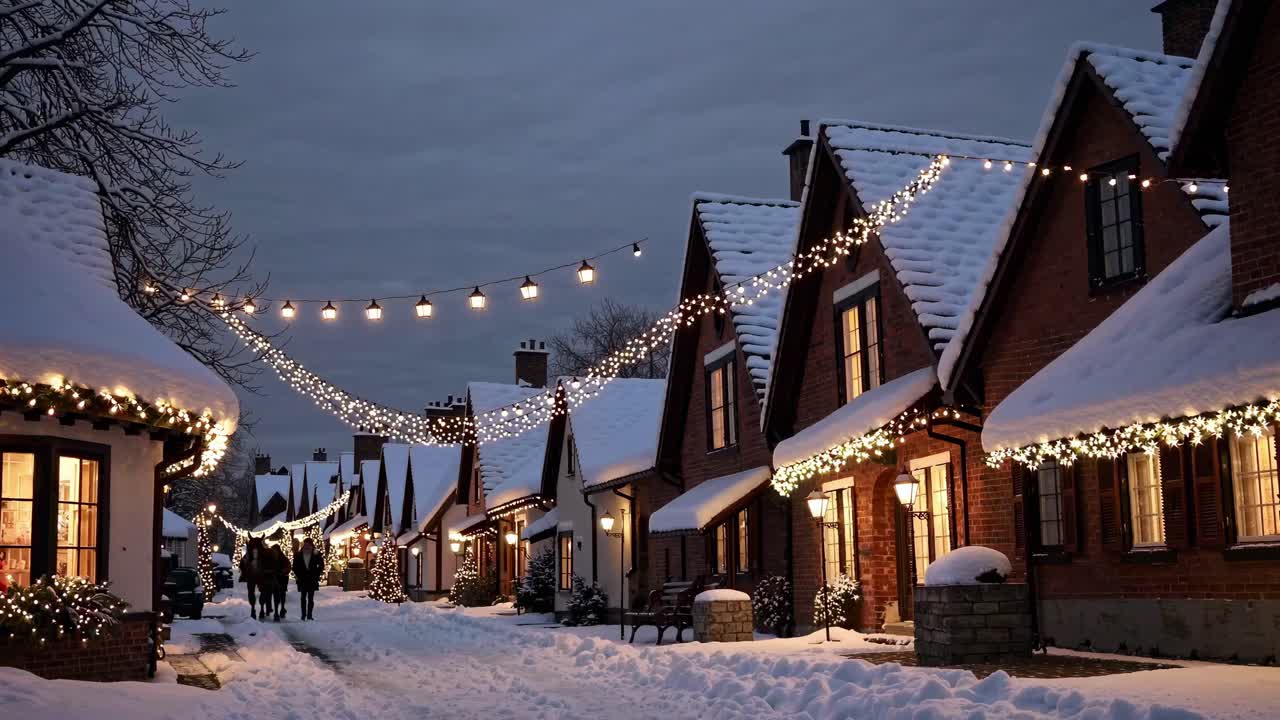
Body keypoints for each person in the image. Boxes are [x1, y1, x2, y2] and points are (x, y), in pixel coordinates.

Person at [238, 537, 275, 621]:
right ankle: (252, 609)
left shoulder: (264, 553)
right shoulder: (248, 553)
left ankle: (262, 608)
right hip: (251, 574)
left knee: (264, 590)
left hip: (262, 573)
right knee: (251, 591)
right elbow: (243, 563)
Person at [292, 538, 323, 620]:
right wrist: (299, 575)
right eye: (305, 545)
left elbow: (321, 565)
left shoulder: (316, 554)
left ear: (312, 545)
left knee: (311, 598)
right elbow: (294, 567)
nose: (307, 546)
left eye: (308, 545)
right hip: (302, 579)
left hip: (312, 579)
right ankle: (303, 615)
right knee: (303, 597)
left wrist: (316, 574)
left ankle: (309, 615)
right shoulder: (298, 555)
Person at [272, 542, 290, 619]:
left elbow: (288, 567)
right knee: (276, 596)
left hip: (282, 579)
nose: (275, 552)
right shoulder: (271, 559)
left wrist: (282, 571)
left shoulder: (283, 558)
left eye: (275, 550)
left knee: (282, 595)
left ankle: (282, 608)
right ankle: (276, 611)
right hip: (275, 580)